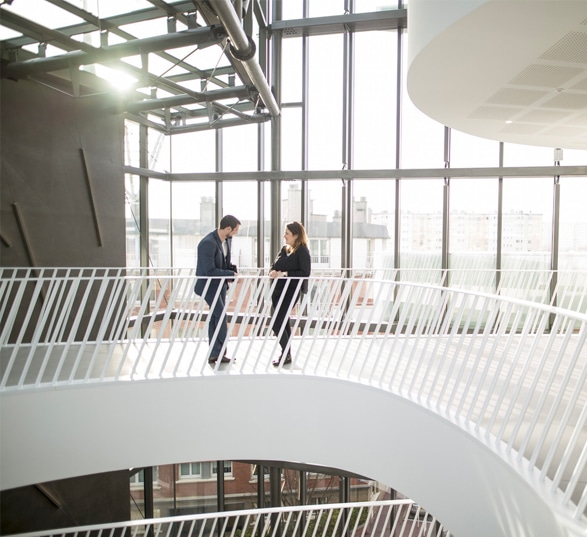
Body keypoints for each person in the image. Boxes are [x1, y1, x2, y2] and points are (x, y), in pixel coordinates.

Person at [194, 215, 241, 364]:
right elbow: (210, 271)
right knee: (221, 316)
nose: (235, 234)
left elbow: (223, 261)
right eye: (235, 231)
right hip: (209, 286)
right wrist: (230, 274)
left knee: (216, 317)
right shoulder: (207, 243)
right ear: (228, 229)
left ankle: (215, 353)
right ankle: (220, 352)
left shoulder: (227, 240)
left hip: (220, 285)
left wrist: (231, 269)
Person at [269, 221, 311, 366]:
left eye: (287, 233)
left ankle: (286, 353)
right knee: (283, 321)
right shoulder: (285, 249)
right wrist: (273, 272)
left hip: (290, 291)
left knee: (276, 323)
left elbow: (305, 273)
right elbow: (274, 265)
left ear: (296, 235)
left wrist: (285, 274)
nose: (284, 236)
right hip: (278, 290)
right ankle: (286, 355)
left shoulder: (302, 251)